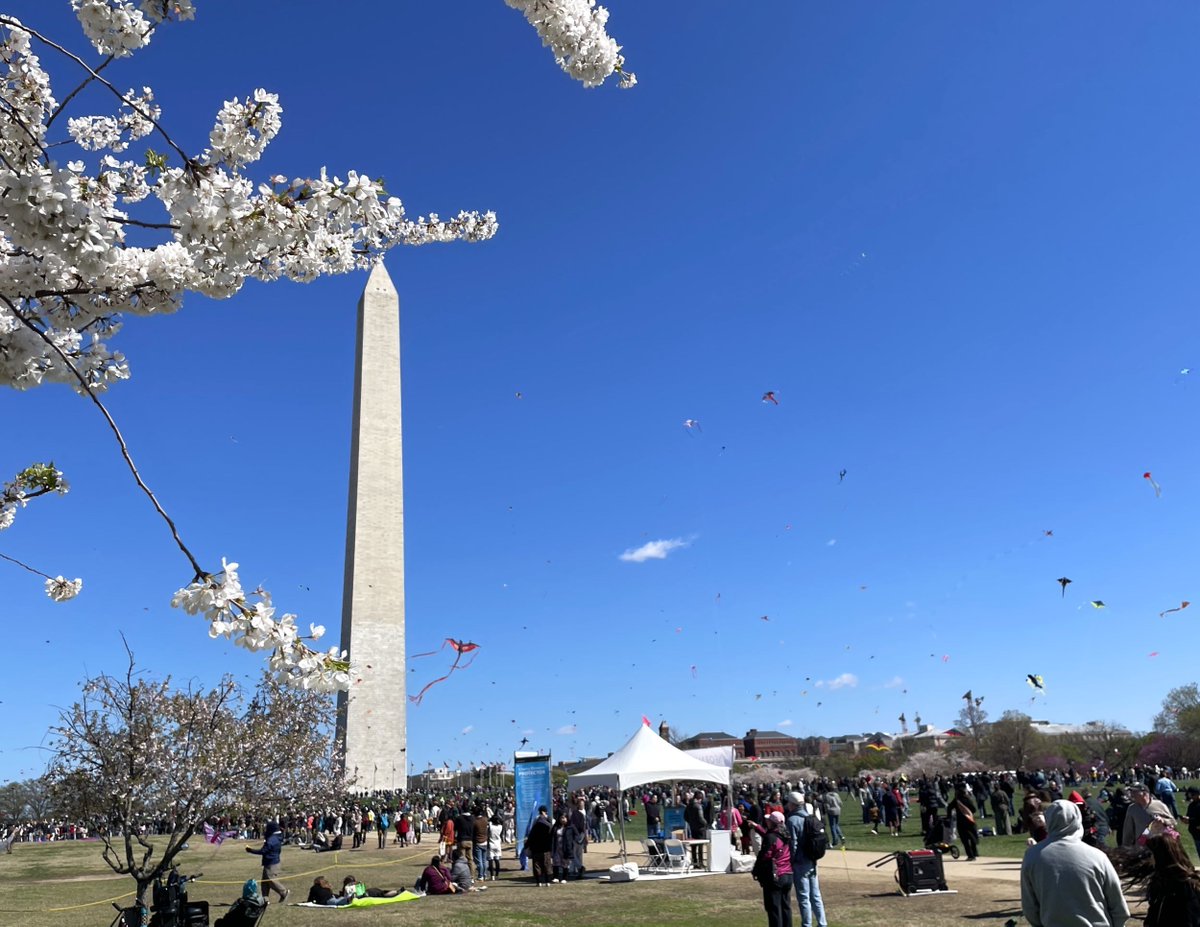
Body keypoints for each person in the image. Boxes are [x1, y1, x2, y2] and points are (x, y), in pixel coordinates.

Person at [1021, 799, 1129, 927]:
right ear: (1077, 820)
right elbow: (1118, 905)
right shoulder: (1097, 856)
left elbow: (1030, 907)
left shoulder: (1032, 856)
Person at [784, 792, 827, 927]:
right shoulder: (809, 817)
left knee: (803, 897)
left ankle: (807, 924)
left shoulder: (792, 820)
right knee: (816, 895)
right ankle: (822, 923)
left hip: (800, 862)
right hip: (812, 859)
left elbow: (793, 844)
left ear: (792, 804)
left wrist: (791, 861)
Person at [754, 811, 793, 927]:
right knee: (786, 906)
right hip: (788, 873)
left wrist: (756, 870)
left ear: (772, 822)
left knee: (773, 908)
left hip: (776, 875)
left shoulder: (771, 837)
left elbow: (765, 855)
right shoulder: (786, 834)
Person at [245, 820, 290, 904]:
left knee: (271, 879)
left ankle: (284, 892)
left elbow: (263, 851)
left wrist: (251, 850)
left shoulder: (271, 839)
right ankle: (265, 899)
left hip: (271, 862)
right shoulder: (276, 837)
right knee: (265, 882)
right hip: (272, 861)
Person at [1122, 783, 1172, 847]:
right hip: (1141, 847)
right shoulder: (1132, 809)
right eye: (1131, 792)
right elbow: (1128, 830)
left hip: (1160, 846)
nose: (1132, 795)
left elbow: (1173, 821)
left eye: (1134, 792)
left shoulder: (1160, 805)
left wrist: (1163, 820)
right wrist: (1126, 846)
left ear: (1144, 793)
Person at [525, 806, 553, 887]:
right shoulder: (549, 824)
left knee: (537, 865)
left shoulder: (536, 823)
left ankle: (539, 881)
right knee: (546, 865)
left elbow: (531, 836)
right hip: (545, 848)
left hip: (536, 848)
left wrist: (527, 846)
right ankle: (547, 881)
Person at [953, 783, 979, 861]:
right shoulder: (968, 799)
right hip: (970, 819)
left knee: (965, 839)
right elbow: (974, 809)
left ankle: (970, 855)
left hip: (961, 821)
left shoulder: (956, 801)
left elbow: (949, 808)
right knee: (972, 836)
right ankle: (975, 852)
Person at [685, 789, 711, 867]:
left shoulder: (688, 806)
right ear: (699, 798)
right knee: (700, 846)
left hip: (692, 827)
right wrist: (706, 823)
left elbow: (685, 817)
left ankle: (694, 861)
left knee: (693, 846)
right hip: (700, 828)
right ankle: (700, 862)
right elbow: (700, 818)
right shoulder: (698, 806)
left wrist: (690, 822)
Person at [568, 795, 589, 880]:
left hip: (579, 834)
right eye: (581, 804)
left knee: (577, 854)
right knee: (575, 853)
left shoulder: (581, 813)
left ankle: (578, 868)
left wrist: (585, 835)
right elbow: (575, 825)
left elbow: (584, 826)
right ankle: (576, 868)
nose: (582, 805)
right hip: (578, 834)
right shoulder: (575, 813)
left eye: (583, 804)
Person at [487, 813, 504, 881]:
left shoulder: (490, 827)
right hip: (498, 844)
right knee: (497, 860)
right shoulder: (500, 827)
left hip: (491, 844)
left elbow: (489, 823)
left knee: (490, 860)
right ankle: (497, 875)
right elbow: (501, 822)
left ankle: (492, 876)